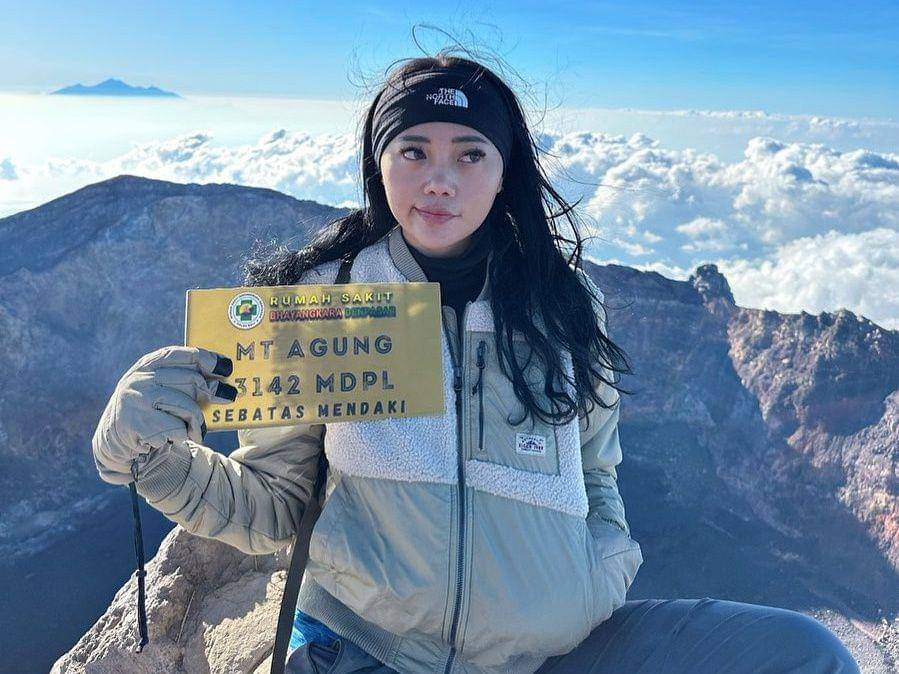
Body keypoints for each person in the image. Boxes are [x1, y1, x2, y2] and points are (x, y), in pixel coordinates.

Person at [91, 51, 861, 674]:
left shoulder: (563, 304)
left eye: (470, 154)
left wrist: (597, 573)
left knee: (806, 655)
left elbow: (595, 470)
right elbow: (274, 507)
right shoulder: (323, 302)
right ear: (378, 163)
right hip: (372, 653)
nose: (440, 179)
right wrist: (146, 456)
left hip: (554, 654)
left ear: (503, 171)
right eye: (413, 151)